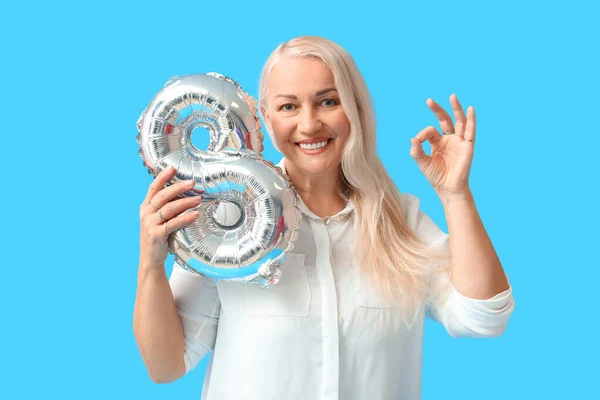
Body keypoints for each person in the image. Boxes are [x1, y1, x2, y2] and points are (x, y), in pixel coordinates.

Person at [133, 36, 514, 400]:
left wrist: (455, 195)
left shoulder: (403, 220)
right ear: (265, 118)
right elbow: (167, 365)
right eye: (288, 106)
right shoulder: (224, 222)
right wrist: (150, 263)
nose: (310, 124)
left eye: (328, 101)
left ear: (355, 108)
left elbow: (484, 317)